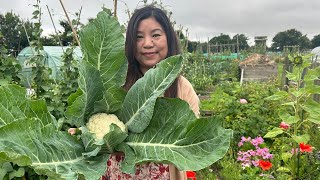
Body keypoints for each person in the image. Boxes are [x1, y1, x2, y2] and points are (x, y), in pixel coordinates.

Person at [102, 4, 200, 180]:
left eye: (156, 35)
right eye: (139, 37)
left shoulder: (181, 87)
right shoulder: (117, 82)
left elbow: (192, 138)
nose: (147, 44)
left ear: (168, 39)